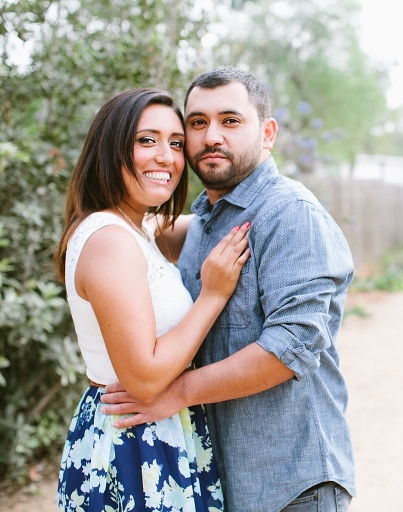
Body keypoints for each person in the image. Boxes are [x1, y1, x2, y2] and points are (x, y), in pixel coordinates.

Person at [101, 68, 356, 512]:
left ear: (267, 132)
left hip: (290, 484)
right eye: (197, 123)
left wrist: (177, 391)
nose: (211, 136)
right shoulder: (204, 222)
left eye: (230, 121)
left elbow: (291, 347)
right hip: (219, 481)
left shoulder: (289, 214)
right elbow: (130, 231)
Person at [54, 88, 251, 512]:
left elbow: (200, 224)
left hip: (159, 432)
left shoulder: (137, 227)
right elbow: (143, 378)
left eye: (176, 143)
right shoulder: (110, 241)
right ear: (111, 149)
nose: (167, 157)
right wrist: (212, 296)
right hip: (133, 442)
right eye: (147, 140)